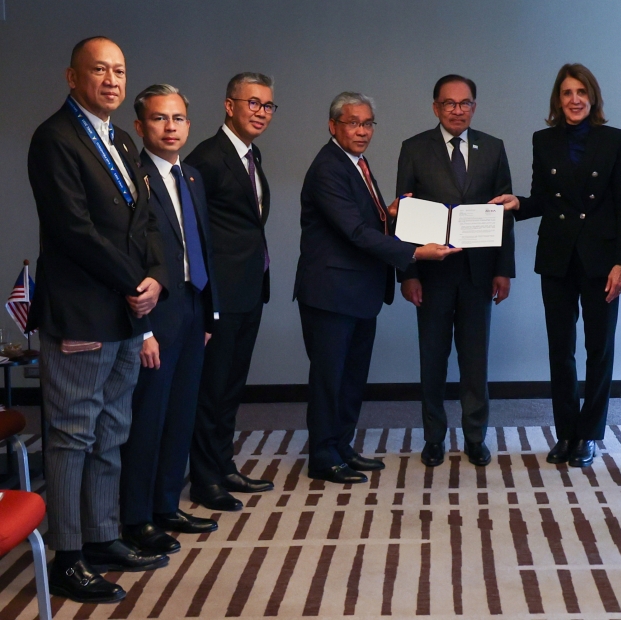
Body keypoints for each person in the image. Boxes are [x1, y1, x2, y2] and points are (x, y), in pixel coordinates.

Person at [26, 37, 170, 604]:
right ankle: (67, 556)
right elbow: (73, 230)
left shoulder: (121, 139)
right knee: (71, 436)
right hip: (84, 310)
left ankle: (103, 534)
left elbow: (146, 221)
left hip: (127, 313)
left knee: (111, 431)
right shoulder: (55, 138)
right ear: (71, 76)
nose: (112, 80)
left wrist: (155, 275)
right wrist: (133, 282)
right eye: (99, 70)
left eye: (120, 70)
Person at [295, 93, 459, 483]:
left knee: (351, 380)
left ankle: (341, 446)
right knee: (329, 380)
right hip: (331, 294)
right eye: (353, 123)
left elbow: (363, 220)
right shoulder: (327, 169)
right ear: (333, 125)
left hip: (358, 292)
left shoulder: (356, 163)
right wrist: (416, 251)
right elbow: (354, 231)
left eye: (368, 123)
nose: (362, 131)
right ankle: (322, 456)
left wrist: (388, 213)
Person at [491, 63, 621, 468]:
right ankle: (567, 432)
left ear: (593, 98)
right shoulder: (544, 140)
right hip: (556, 257)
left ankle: (589, 434)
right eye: (567, 93)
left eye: (581, 93)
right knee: (560, 351)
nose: (574, 100)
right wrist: (518, 204)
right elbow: (544, 199)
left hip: (600, 260)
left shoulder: (615, 140)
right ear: (558, 99)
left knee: (598, 350)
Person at [119, 85, 221, 556]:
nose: (170, 127)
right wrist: (141, 330)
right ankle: (136, 517)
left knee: (181, 415)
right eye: (159, 119)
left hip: (192, 308)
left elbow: (203, 249)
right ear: (140, 127)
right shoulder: (131, 178)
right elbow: (129, 256)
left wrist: (209, 311)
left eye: (178, 118)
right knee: (148, 420)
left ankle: (166, 504)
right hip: (154, 315)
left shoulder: (193, 177)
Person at [396, 75, 515, 468]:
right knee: (432, 359)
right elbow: (404, 216)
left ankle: (475, 437)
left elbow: (505, 213)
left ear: (474, 106)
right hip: (431, 275)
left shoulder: (493, 148)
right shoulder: (413, 148)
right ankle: (433, 437)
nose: (457, 109)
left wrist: (504, 270)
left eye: (465, 103)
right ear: (436, 107)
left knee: (475, 361)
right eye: (449, 103)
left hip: (480, 274)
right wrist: (407, 273)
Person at [185, 73, 275, 512]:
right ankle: (204, 481)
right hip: (220, 294)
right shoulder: (208, 157)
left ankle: (223, 466)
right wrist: (207, 298)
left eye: (267, 106)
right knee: (212, 389)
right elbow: (194, 234)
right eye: (253, 103)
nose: (261, 112)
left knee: (232, 386)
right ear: (229, 105)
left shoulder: (251, 155)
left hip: (248, 290)